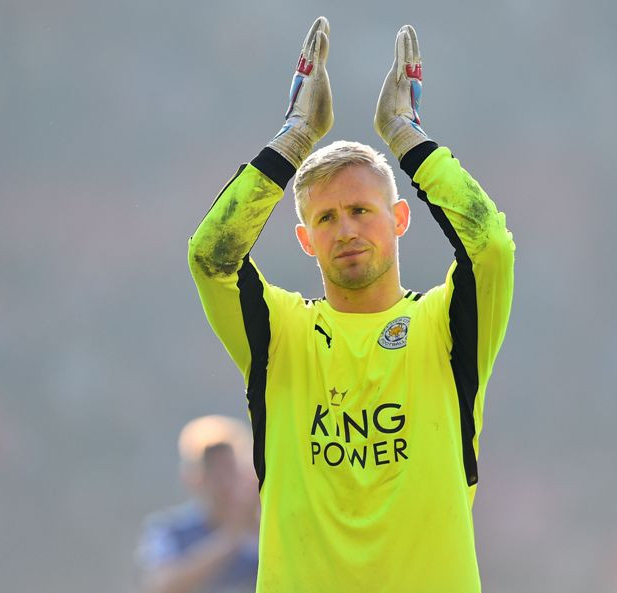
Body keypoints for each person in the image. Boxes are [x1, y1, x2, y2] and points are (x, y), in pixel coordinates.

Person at [187, 17, 514, 593]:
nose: (346, 230)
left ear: (400, 218)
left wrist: (407, 137)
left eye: (362, 210)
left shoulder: (444, 327)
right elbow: (210, 256)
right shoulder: (281, 333)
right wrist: (293, 137)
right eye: (326, 218)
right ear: (306, 240)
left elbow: (490, 246)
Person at [137, 415, 259, 593]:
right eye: (214, 470)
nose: (224, 482)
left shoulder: (266, 527)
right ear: (193, 477)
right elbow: (159, 586)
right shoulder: (172, 530)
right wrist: (232, 536)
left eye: (229, 468)